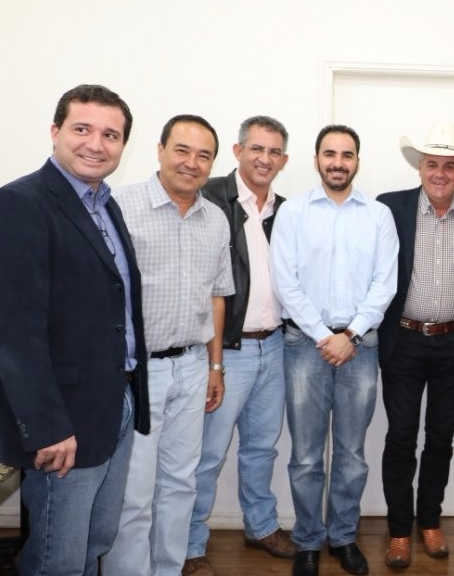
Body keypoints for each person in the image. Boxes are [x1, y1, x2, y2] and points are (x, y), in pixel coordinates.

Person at [0, 84, 149, 576]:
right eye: (82, 129)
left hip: (115, 402)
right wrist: (49, 426)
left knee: (96, 538)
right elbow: (13, 331)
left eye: (111, 135)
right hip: (66, 420)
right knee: (58, 554)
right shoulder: (19, 204)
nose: (96, 144)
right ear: (56, 132)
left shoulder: (104, 205)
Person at [102, 114, 234, 576]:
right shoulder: (120, 207)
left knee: (180, 484)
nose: (191, 163)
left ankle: (168, 569)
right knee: (134, 493)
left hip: (194, 366)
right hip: (138, 371)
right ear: (159, 150)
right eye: (182, 150)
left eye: (203, 155)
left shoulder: (215, 219)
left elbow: (217, 295)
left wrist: (216, 367)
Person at [271, 124, 399, 576]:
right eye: (330, 154)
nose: (338, 162)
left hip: (360, 347)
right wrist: (325, 335)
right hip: (305, 344)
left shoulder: (378, 215)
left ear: (357, 161)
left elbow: (385, 282)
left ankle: (343, 537)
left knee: (351, 453)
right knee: (306, 454)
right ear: (316, 159)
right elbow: (285, 282)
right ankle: (308, 540)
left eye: (347, 155)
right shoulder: (294, 213)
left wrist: (353, 334)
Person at [376, 122, 454, 568]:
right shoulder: (391, 207)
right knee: (401, 437)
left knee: (441, 438)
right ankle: (399, 531)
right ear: (420, 167)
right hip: (402, 341)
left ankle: (430, 521)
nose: (440, 173)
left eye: (449, 165)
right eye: (432, 164)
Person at [183, 116, 294, 576]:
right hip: (227, 352)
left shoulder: (287, 211)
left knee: (262, 447)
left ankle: (261, 525)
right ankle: (190, 545)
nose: (265, 159)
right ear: (238, 151)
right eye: (257, 149)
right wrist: (213, 362)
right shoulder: (209, 201)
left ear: (284, 160)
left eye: (274, 152)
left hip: (276, 347)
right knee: (206, 455)